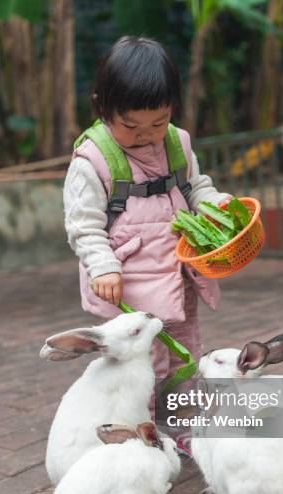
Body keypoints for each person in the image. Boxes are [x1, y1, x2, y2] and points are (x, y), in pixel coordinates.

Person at [63, 36, 231, 453]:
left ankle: (185, 431)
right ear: (103, 107)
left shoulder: (177, 143)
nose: (146, 136)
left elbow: (196, 188)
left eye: (158, 123)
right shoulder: (93, 161)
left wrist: (216, 206)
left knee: (186, 357)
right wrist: (103, 266)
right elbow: (83, 226)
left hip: (177, 279)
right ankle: (144, 437)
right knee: (143, 368)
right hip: (131, 292)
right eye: (132, 127)